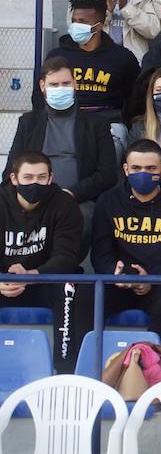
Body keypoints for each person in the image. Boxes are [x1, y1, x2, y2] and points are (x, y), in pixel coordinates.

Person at [91, 140, 161, 345]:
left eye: (151, 168)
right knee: (84, 294)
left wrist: (151, 278)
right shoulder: (108, 201)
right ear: (126, 169)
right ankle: (84, 359)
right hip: (119, 283)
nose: (143, 174)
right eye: (136, 168)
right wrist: (116, 274)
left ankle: (148, 358)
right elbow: (100, 254)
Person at [0, 152, 90, 374]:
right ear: (14, 179)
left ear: (51, 178)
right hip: (4, 282)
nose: (35, 183)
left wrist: (32, 275)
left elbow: (66, 257)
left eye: (41, 177)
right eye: (28, 177)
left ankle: (65, 370)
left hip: (46, 281)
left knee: (70, 289)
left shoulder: (64, 204)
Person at [8, 57, 117, 216]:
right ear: (42, 86)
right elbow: (11, 170)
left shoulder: (97, 124)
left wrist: (72, 193)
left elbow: (108, 174)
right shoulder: (28, 122)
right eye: (54, 84)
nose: (60, 88)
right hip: (33, 201)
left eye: (66, 83)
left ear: (75, 84)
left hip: (79, 201)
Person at [45, 0, 141, 121]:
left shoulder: (123, 58)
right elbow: (40, 95)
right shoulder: (57, 56)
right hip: (65, 120)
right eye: (74, 21)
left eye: (82, 22)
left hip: (109, 122)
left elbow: (135, 99)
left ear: (98, 27)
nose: (75, 26)